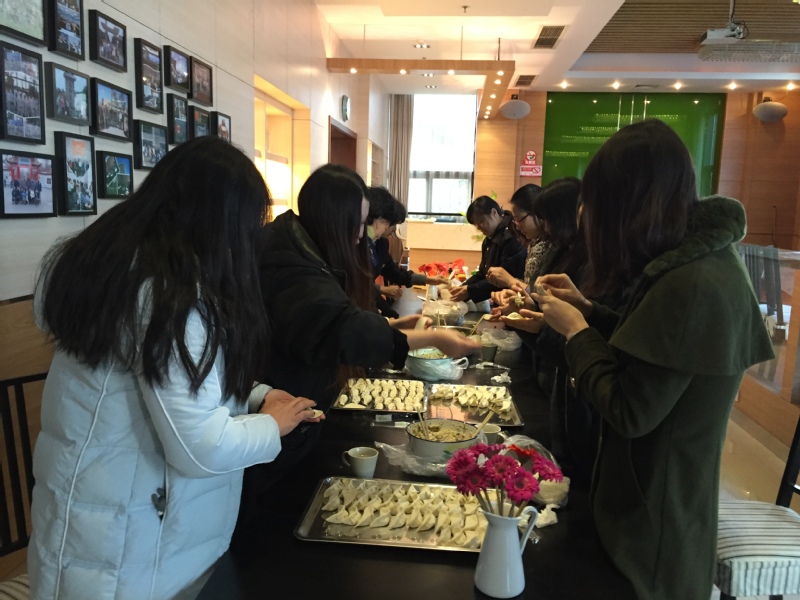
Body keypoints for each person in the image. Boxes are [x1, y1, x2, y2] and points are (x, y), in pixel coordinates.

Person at [28, 137, 320, 600]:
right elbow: (200, 448)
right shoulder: (167, 301)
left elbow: (172, 383)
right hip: (127, 546)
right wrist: (272, 424)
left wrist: (254, 394)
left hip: (97, 523)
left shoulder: (122, 270)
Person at [528, 119, 774, 600]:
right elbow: (650, 350)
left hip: (654, 524)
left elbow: (630, 409)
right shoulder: (693, 263)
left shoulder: (693, 282)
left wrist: (576, 331)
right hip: (644, 504)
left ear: (627, 203)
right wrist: (588, 310)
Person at [233, 164, 479, 549]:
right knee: (275, 530)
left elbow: (339, 316)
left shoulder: (299, 242)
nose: (362, 234)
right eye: (359, 224)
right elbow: (338, 327)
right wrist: (430, 338)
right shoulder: (289, 262)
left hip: (292, 404)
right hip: (274, 409)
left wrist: (393, 326)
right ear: (335, 218)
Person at [367, 186, 449, 317]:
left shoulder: (380, 243)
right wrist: (382, 291)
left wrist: (428, 279)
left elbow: (394, 272)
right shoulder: (358, 245)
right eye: (391, 223)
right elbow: (359, 284)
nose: (392, 229)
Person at [449, 195, 526, 303]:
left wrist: (470, 291)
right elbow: (482, 274)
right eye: (476, 224)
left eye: (481, 221)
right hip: (499, 300)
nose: (479, 227)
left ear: (494, 212)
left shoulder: (511, 235)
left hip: (514, 300)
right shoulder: (488, 240)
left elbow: (503, 279)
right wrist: (463, 288)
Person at [485, 183, 543, 291]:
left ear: (537, 213)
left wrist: (510, 280)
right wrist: (508, 285)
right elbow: (529, 284)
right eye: (515, 220)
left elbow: (544, 294)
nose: (517, 225)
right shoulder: (534, 243)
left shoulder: (550, 246)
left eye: (520, 219)